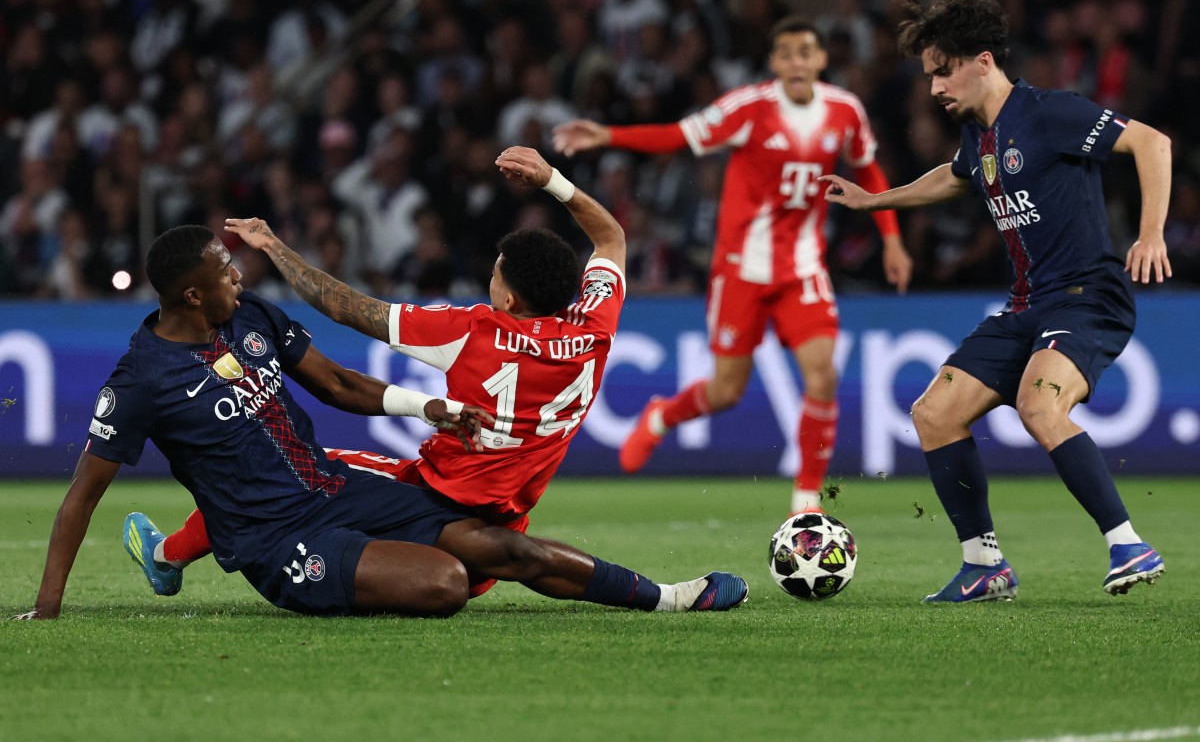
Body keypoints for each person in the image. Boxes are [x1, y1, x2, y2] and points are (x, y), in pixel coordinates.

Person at [19, 219, 747, 619]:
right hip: (275, 541)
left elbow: (336, 383)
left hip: (332, 492)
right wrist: (47, 609)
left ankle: (667, 598)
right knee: (446, 584)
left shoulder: (253, 321)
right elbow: (82, 493)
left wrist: (424, 405)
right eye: (225, 273)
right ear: (190, 296)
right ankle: (171, 555)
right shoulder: (141, 380)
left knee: (494, 549)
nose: (240, 278)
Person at [819, 0, 1171, 602]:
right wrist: (877, 200)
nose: (934, 87)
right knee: (934, 414)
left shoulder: (1048, 113)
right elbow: (954, 180)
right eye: (929, 75)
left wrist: (1149, 235)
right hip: (1027, 306)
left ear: (984, 60)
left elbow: (1152, 143)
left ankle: (1127, 543)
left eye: (943, 71)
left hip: (1088, 296)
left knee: (1040, 406)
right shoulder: (981, 136)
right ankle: (984, 565)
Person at [553, 16, 913, 516]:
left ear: (821, 60)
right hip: (741, 270)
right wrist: (607, 135)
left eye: (806, 52)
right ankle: (662, 415)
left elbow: (867, 165)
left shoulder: (845, 111)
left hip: (803, 268)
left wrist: (891, 240)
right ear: (774, 63)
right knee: (726, 391)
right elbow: (677, 136)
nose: (796, 62)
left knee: (823, 377)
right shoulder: (749, 108)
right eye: (786, 53)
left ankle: (806, 503)